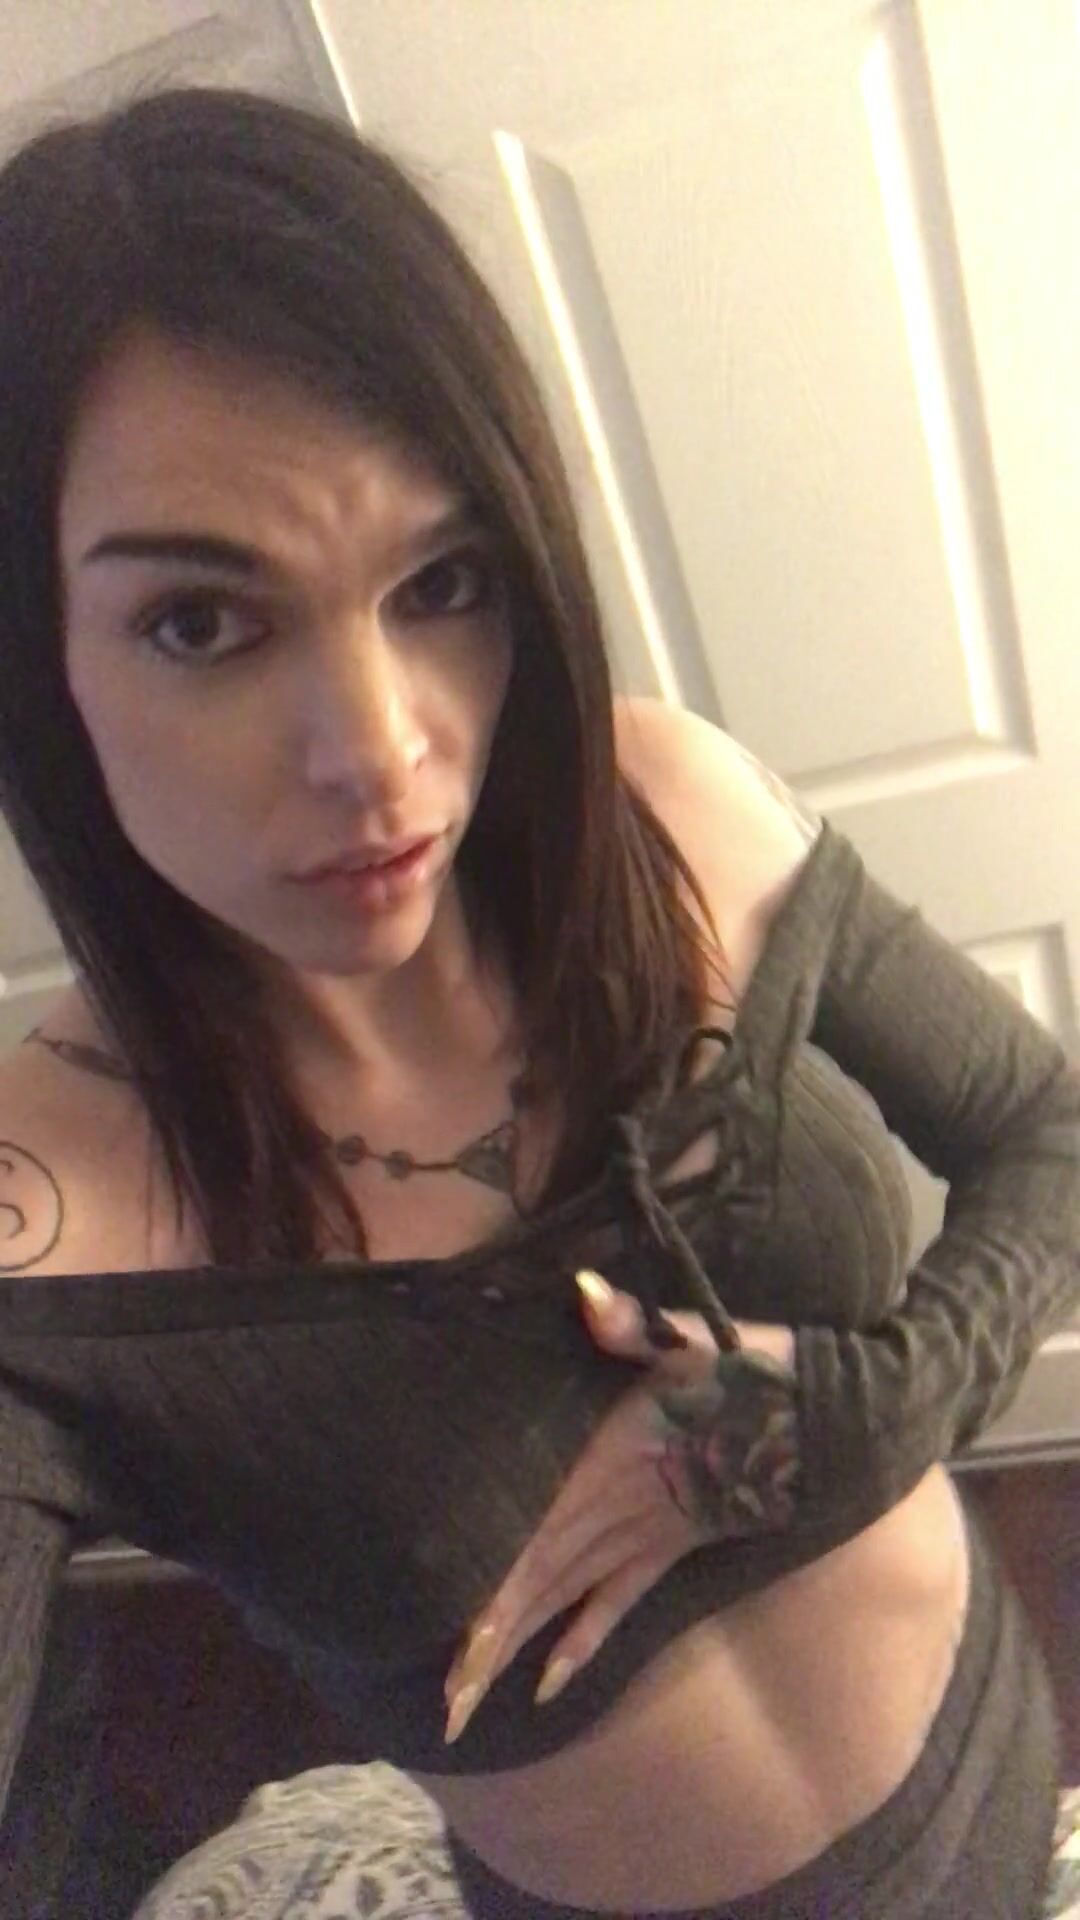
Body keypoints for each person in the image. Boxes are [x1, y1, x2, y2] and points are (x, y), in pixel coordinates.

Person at [0, 85, 1075, 1920]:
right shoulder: (49, 1237)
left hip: (1000, 1754)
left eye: (442, 582)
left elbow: (1044, 1127)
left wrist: (858, 1412)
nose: (382, 751)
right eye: (201, 621)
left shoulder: (672, 815)